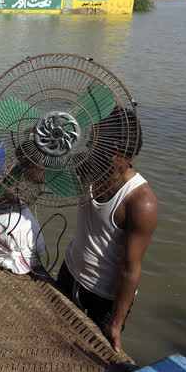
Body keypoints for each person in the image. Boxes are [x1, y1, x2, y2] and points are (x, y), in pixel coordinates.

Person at [56, 108, 158, 353]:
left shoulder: (140, 202)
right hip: (70, 273)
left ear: (112, 150)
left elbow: (130, 268)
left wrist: (115, 323)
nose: (88, 143)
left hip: (105, 297)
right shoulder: (87, 166)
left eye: (93, 140)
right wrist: (42, 145)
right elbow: (38, 175)